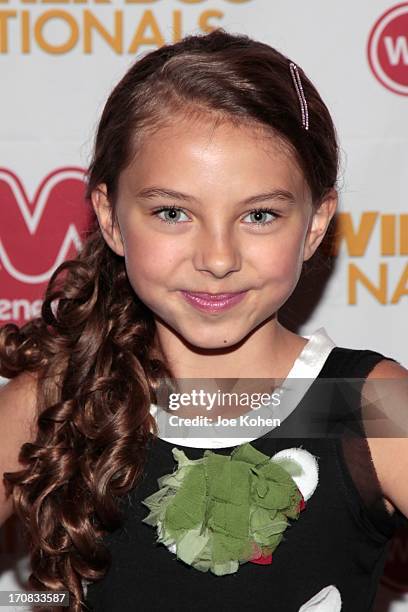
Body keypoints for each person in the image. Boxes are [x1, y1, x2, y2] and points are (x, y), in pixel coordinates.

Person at [0, 28, 407, 612]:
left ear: (315, 224)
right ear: (111, 218)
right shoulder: (59, 400)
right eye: (172, 212)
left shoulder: (367, 404)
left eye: (260, 215)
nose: (217, 258)